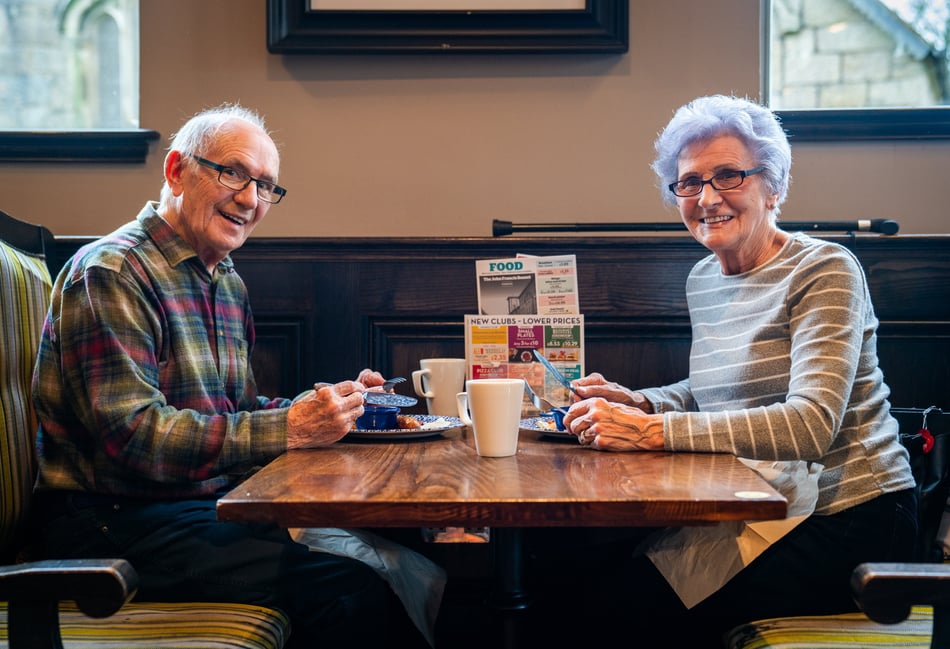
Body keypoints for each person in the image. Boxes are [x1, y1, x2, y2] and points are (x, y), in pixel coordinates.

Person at [30, 103, 433, 648]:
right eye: (233, 172)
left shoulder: (225, 280)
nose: (251, 199)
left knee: (400, 555)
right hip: (110, 526)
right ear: (176, 170)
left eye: (267, 186)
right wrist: (291, 425)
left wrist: (336, 407)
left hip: (198, 507)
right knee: (347, 587)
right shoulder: (112, 272)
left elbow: (234, 413)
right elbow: (136, 435)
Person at [557, 94, 918, 646]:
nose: (707, 197)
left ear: (773, 186)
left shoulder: (824, 268)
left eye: (728, 176)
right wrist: (644, 401)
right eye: (689, 182)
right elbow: (719, 392)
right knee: (585, 578)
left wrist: (652, 432)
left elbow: (809, 424)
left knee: (628, 612)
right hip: (764, 502)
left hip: (852, 517)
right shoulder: (704, 277)